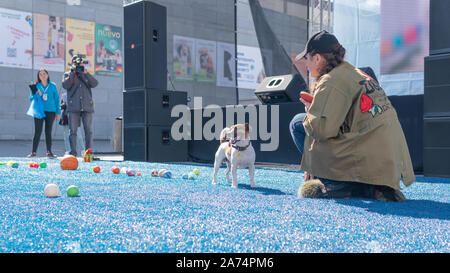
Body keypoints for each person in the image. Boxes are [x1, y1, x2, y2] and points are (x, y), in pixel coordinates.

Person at [290, 30, 415, 202]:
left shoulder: (331, 80)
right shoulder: (358, 74)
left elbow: (321, 131)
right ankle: (370, 187)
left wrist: (310, 112)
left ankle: (337, 184)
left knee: (297, 124)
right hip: (390, 167)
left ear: (317, 58)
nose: (307, 66)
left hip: (364, 153)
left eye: (307, 59)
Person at [62, 55, 98, 157]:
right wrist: (73, 73)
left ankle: (88, 152)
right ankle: (73, 152)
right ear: (72, 64)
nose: (79, 66)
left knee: (88, 131)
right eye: (76, 64)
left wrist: (85, 74)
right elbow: (66, 85)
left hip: (87, 107)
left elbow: (95, 83)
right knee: (72, 130)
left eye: (80, 64)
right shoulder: (67, 74)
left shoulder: (85, 74)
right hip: (74, 107)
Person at [27, 68, 61, 158]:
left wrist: (58, 112)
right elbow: (31, 98)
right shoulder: (36, 86)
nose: (43, 75)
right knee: (37, 131)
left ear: (48, 75)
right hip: (39, 111)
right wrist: (37, 93)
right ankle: (33, 152)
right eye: (40, 74)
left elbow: (57, 99)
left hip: (51, 111)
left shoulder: (53, 85)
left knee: (48, 132)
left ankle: (49, 152)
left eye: (44, 73)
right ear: (38, 76)